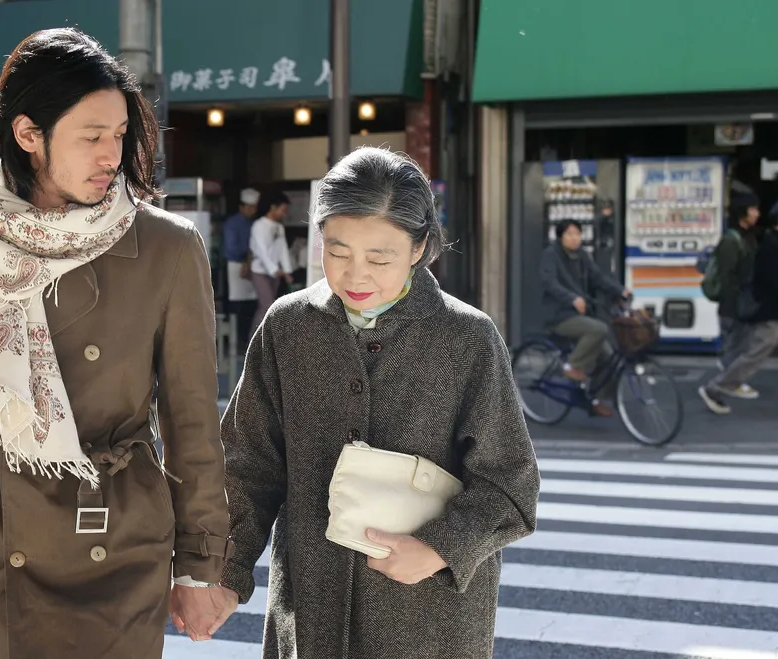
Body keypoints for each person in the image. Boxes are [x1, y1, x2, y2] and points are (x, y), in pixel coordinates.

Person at [0, 28, 232, 657]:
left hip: (122, 528)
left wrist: (200, 566)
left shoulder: (167, 248)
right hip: (9, 530)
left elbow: (191, 420)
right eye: (92, 136)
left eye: (121, 135)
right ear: (28, 135)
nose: (113, 155)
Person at [183, 146, 540, 658]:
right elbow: (248, 465)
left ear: (419, 248)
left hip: (429, 618)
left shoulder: (466, 338)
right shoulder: (288, 326)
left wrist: (440, 548)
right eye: (337, 250)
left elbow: (511, 485)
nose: (355, 276)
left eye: (380, 257)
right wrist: (222, 572)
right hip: (310, 607)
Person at [539, 219, 631, 416]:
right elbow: (549, 283)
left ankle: (595, 398)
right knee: (599, 329)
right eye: (570, 234)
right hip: (558, 314)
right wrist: (572, 298)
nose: (574, 238)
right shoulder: (551, 255)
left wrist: (620, 290)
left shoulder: (582, 255)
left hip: (579, 314)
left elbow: (598, 277)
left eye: (577, 234)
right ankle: (573, 366)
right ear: (560, 236)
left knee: (607, 355)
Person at [700, 212, 778, 413]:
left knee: (751, 348)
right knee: (757, 350)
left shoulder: (762, 241)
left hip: (766, 309)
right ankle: (717, 387)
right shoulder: (770, 246)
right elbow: (769, 281)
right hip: (768, 311)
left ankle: (721, 384)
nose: (756, 213)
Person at [709, 190, 762, 400]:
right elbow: (727, 276)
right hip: (733, 304)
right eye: (753, 209)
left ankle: (730, 379)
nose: (757, 213)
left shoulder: (747, 237)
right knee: (735, 342)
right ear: (743, 212)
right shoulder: (731, 241)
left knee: (740, 342)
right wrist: (735, 305)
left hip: (741, 301)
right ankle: (729, 383)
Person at [249, 191, 294, 329]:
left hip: (276, 272)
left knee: (268, 306)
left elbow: (282, 250)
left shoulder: (279, 227)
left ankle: (263, 343)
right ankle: (255, 342)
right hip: (260, 271)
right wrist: (274, 270)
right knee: (267, 306)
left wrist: (287, 271)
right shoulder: (258, 225)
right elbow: (261, 251)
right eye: (283, 210)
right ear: (273, 207)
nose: (284, 214)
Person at [224, 188, 260, 350]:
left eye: (254, 207)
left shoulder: (255, 223)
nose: (252, 210)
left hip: (251, 265)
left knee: (249, 304)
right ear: (241, 207)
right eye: (249, 207)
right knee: (236, 304)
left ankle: (246, 338)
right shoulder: (232, 224)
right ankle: (235, 340)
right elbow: (231, 249)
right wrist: (248, 254)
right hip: (235, 266)